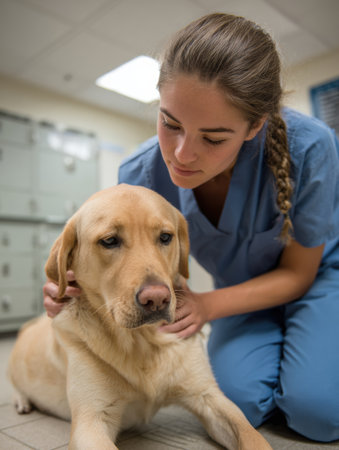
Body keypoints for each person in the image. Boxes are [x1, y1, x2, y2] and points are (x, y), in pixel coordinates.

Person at [43, 13, 339, 443]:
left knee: (317, 412)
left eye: (214, 138)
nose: (181, 154)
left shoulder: (311, 146)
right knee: (244, 400)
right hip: (233, 293)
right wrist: (68, 285)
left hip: (311, 282)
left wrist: (205, 307)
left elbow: (298, 273)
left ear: (254, 127)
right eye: (170, 123)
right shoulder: (140, 173)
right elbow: (113, 255)